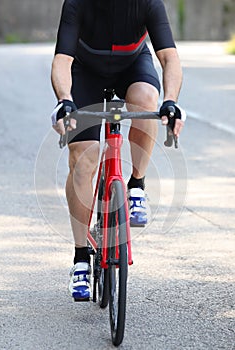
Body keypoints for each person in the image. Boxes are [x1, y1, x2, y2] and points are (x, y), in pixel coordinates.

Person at [51, 0, 185, 301]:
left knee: (148, 99)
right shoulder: (77, 3)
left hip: (131, 67)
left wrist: (171, 100)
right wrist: (65, 99)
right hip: (85, 72)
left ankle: (136, 185)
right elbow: (62, 59)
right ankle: (81, 258)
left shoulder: (148, 3)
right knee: (83, 160)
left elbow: (169, 57)